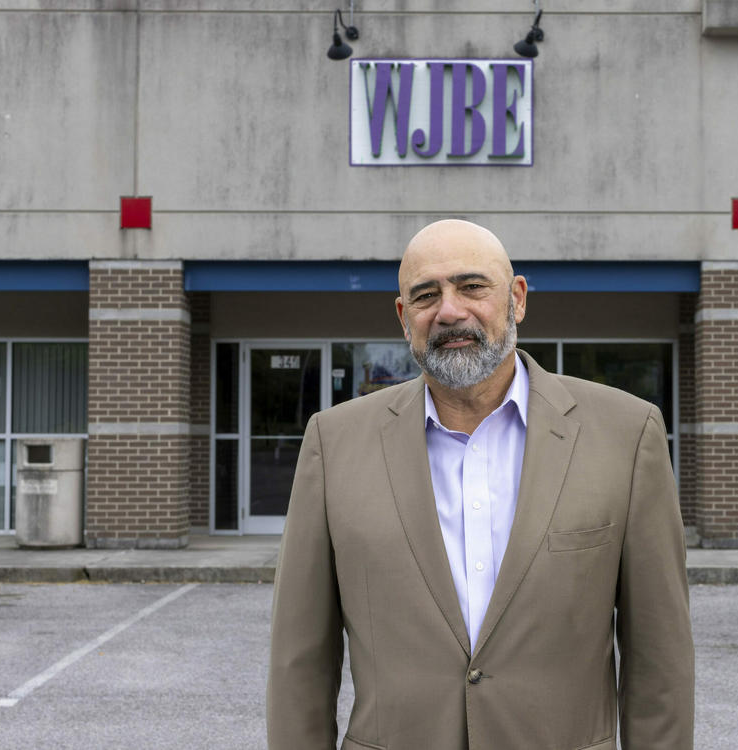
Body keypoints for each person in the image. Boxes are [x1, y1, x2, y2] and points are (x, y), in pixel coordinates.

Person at [267, 219, 694, 750]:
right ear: (405, 318)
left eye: (472, 286)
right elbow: (299, 664)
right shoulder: (333, 443)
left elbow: (661, 662)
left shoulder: (628, 435)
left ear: (516, 299)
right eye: (426, 295)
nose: (449, 311)